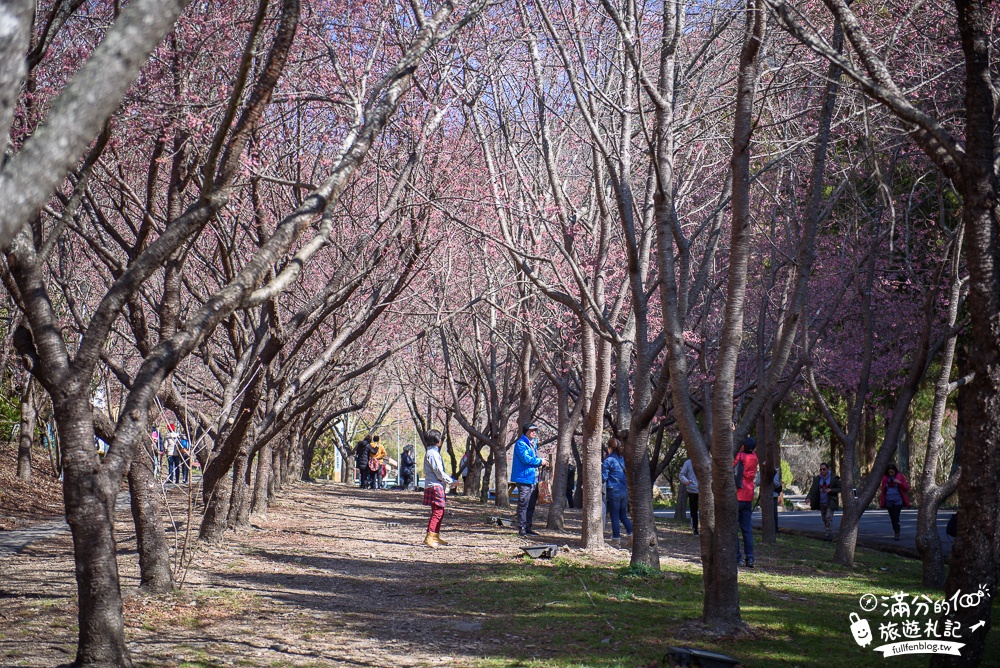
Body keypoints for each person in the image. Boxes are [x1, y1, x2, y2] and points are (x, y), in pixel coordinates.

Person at [510, 422, 548, 537]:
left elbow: (533, 457)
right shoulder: (521, 444)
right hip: (524, 478)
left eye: (535, 431)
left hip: (533, 478)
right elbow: (526, 459)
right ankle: (521, 527)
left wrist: (542, 461)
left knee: (531, 504)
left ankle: (528, 527)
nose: (534, 433)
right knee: (523, 503)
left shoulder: (533, 443)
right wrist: (539, 461)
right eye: (531, 431)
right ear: (526, 431)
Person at [422, 429, 456, 547]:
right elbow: (439, 472)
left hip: (436, 484)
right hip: (435, 485)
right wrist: (451, 481)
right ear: (436, 440)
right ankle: (430, 536)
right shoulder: (432, 454)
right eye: (439, 438)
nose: (441, 440)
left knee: (439, 511)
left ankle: (435, 535)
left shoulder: (433, 452)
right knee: (437, 511)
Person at [602, 436, 633, 548]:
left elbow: (603, 477)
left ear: (610, 447)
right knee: (623, 515)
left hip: (613, 490)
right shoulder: (622, 459)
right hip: (624, 491)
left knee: (614, 515)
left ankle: (616, 540)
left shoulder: (608, 460)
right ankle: (631, 536)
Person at [734, 436, 758, 568]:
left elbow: (731, 464)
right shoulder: (754, 457)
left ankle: (738, 558)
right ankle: (750, 558)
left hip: (738, 494)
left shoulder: (740, 456)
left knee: (734, 529)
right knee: (747, 530)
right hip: (748, 495)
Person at [808, 462, 841, 541]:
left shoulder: (834, 478)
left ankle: (828, 535)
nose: (822, 471)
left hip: (830, 501)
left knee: (828, 518)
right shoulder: (817, 479)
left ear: (828, 469)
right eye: (820, 469)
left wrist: (831, 490)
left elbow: (840, 488)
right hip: (821, 502)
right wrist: (808, 498)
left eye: (824, 469)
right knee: (824, 519)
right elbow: (812, 490)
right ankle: (828, 532)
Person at [879, 464, 911, 541]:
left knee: (896, 517)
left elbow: (906, 488)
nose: (890, 473)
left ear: (895, 471)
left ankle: (897, 533)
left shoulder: (899, 476)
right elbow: (883, 490)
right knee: (892, 518)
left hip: (898, 501)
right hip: (888, 501)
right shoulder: (885, 478)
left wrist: (899, 482)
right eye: (889, 472)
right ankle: (895, 530)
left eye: (892, 472)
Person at [679, 458, 699, 535]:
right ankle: (695, 529)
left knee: (706, 511)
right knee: (694, 510)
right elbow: (681, 474)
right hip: (692, 490)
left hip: (705, 490)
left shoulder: (707, 460)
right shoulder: (688, 463)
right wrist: (686, 481)